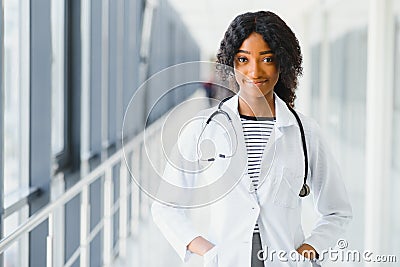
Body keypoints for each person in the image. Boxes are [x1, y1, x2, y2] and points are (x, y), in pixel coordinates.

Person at [152, 11, 352, 267]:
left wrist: (309, 249)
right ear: (231, 64)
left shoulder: (305, 131)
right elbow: (165, 206)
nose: (254, 71)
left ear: (282, 62)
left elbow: (338, 211)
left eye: (267, 58)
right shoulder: (204, 127)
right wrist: (207, 251)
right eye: (243, 59)